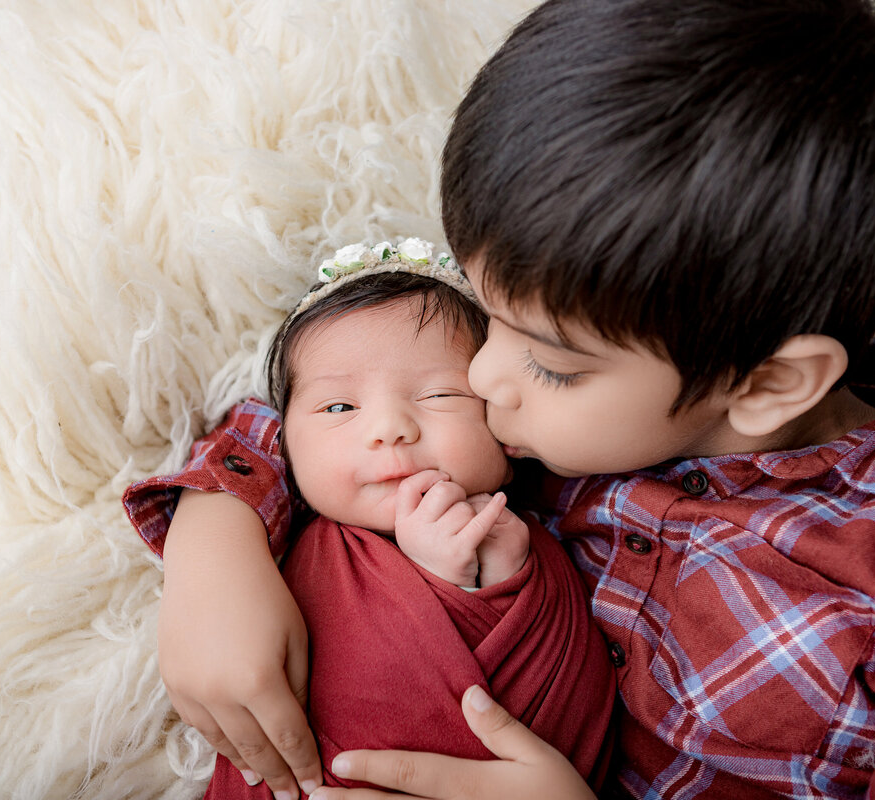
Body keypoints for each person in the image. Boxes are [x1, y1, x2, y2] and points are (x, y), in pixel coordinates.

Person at [125, 0, 875, 797]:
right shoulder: (554, 383)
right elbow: (341, 383)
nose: (482, 379)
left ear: (765, 384)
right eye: (487, 317)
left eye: (552, 363)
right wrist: (216, 546)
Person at [126, 241, 614, 799]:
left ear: (506, 425)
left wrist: (487, 581)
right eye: (339, 407)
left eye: (439, 393)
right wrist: (209, 549)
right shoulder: (298, 530)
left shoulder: (527, 526)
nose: (389, 426)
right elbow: (242, 436)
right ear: (287, 445)